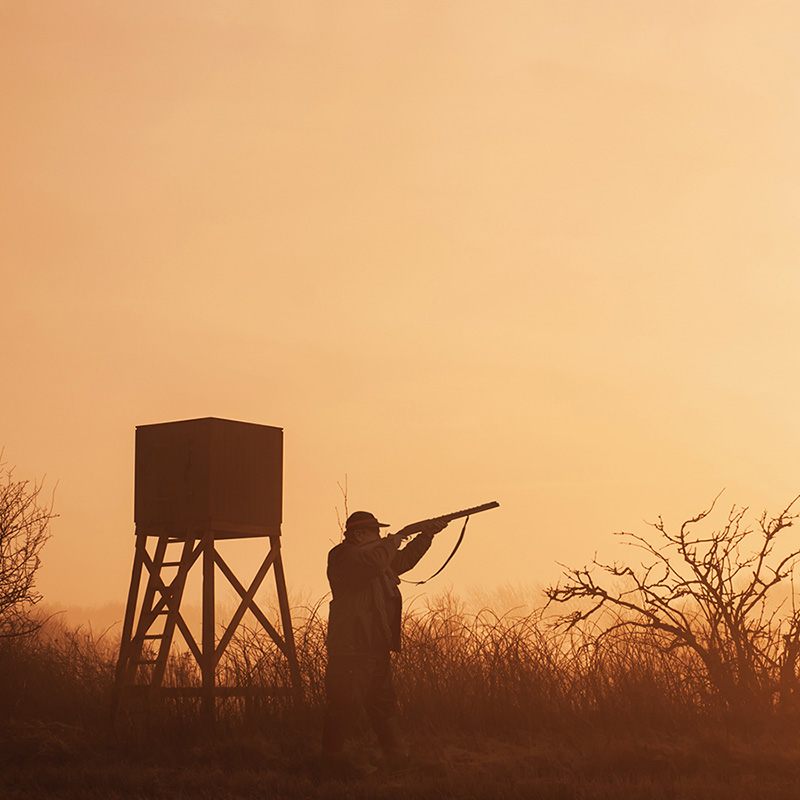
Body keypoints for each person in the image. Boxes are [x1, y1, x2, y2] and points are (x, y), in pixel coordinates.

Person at [321, 509, 448, 774]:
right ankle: (330, 762)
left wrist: (425, 536)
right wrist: (391, 541)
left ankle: (397, 758)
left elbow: (402, 561)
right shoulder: (344, 556)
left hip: (374, 645)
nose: (380, 536)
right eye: (374, 532)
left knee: (383, 702)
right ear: (358, 534)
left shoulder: (374, 556)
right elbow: (375, 562)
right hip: (352, 647)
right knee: (345, 702)